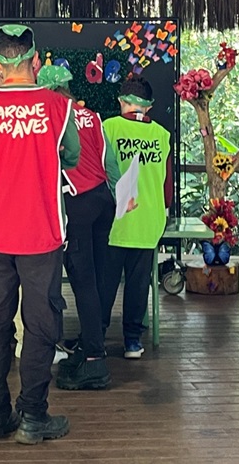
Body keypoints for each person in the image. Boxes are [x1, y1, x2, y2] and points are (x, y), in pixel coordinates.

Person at [0, 24, 80, 445]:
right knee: (40, 324)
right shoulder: (58, 107)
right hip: (41, 233)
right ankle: (33, 416)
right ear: (37, 61)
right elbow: (71, 154)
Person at [36, 64, 125, 391]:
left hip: (77, 204)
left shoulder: (52, 120)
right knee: (99, 279)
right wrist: (116, 200)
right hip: (103, 200)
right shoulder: (92, 116)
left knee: (82, 281)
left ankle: (94, 361)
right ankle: (92, 343)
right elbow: (111, 163)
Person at [100, 77, 172, 360]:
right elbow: (167, 190)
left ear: (121, 101)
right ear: (150, 106)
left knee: (105, 284)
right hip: (149, 221)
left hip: (114, 221)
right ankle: (132, 341)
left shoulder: (108, 128)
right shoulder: (162, 136)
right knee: (139, 285)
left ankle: (98, 337)